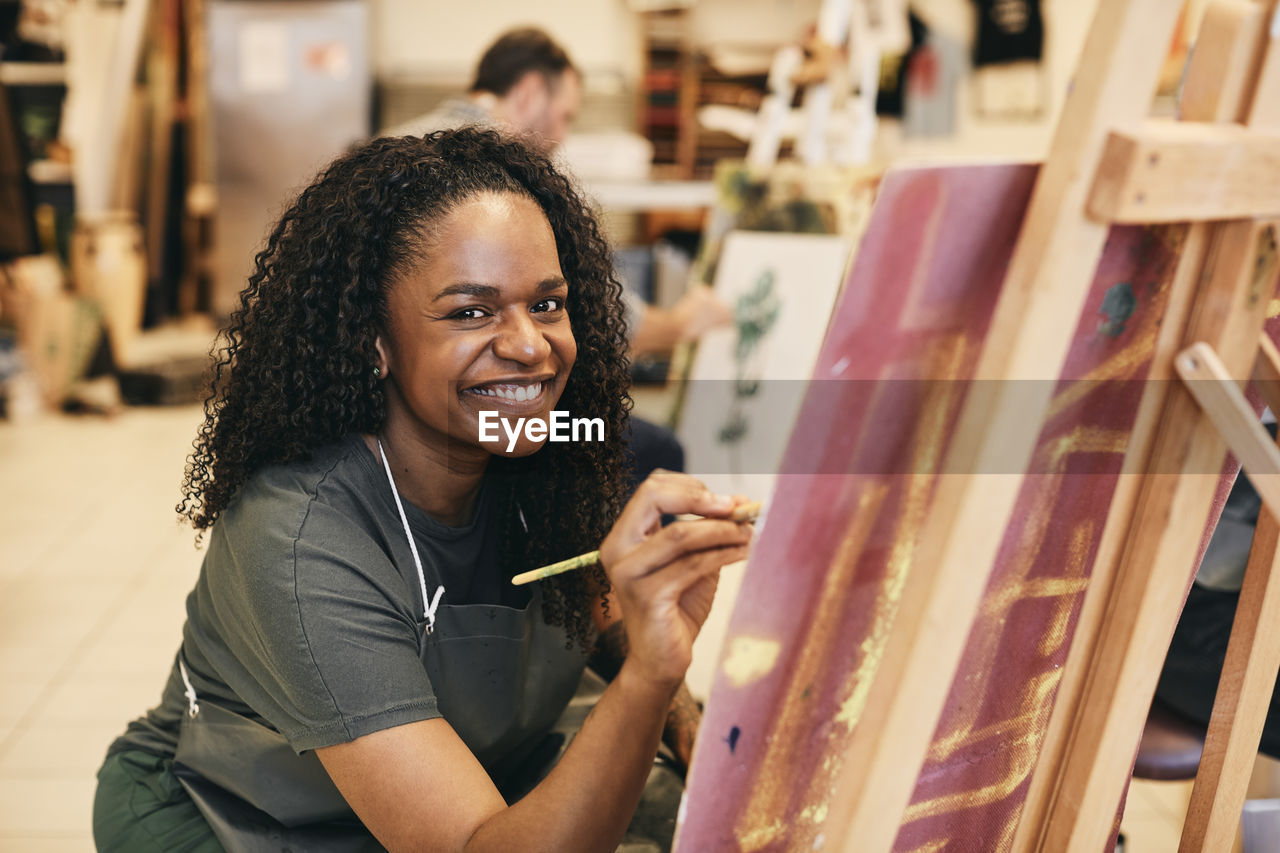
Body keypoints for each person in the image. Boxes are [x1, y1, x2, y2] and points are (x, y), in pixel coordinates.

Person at [91, 128, 754, 852]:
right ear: (372, 341)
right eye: (471, 311)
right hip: (244, 815)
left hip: (464, 781)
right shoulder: (301, 535)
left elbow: (594, 610)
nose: (531, 346)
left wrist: (678, 702)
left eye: (547, 304)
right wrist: (650, 679)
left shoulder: (545, 456)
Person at [382, 26, 732, 358]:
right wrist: (682, 323)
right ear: (530, 93)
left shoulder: (382, 151)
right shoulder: (518, 184)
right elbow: (606, 321)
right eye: (565, 117)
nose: (562, 137)